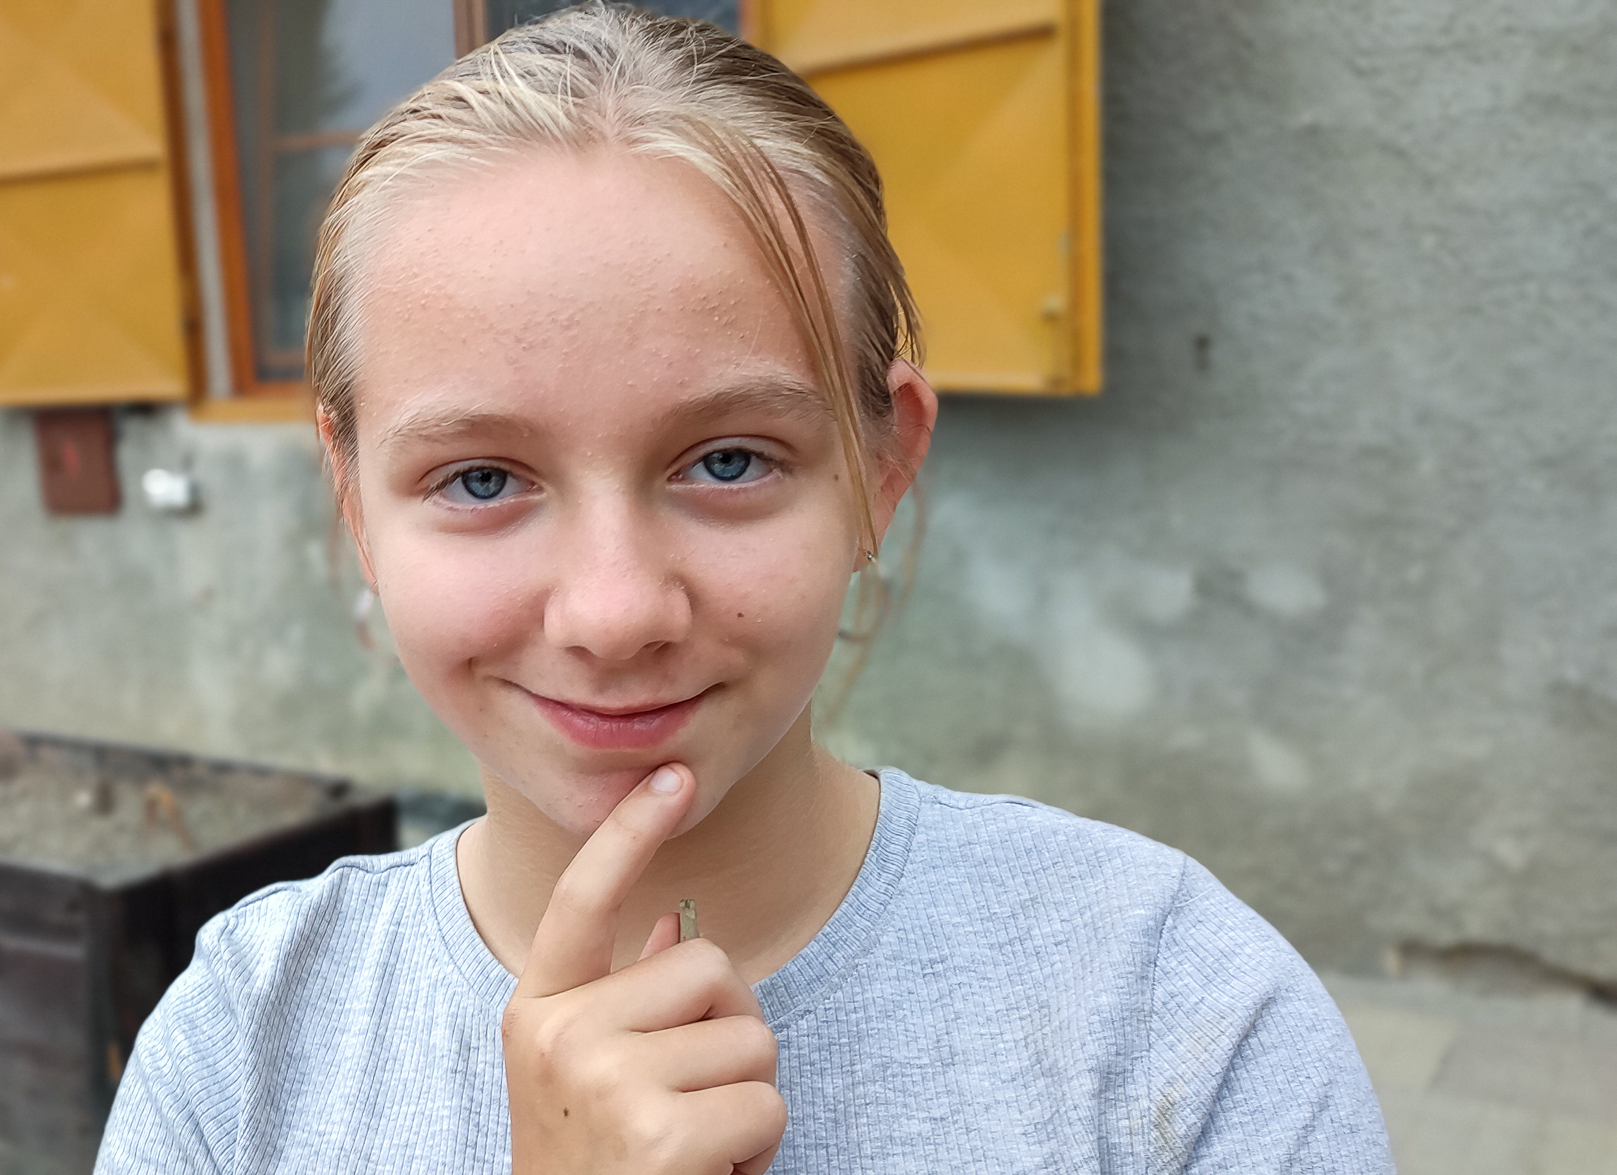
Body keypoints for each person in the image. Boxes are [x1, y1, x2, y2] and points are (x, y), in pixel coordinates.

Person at [94, 5, 1392, 1172]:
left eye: (727, 460)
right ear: (351, 498)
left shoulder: (1178, 1024)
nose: (614, 615)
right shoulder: (240, 1053)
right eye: (481, 479)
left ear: (881, 467)